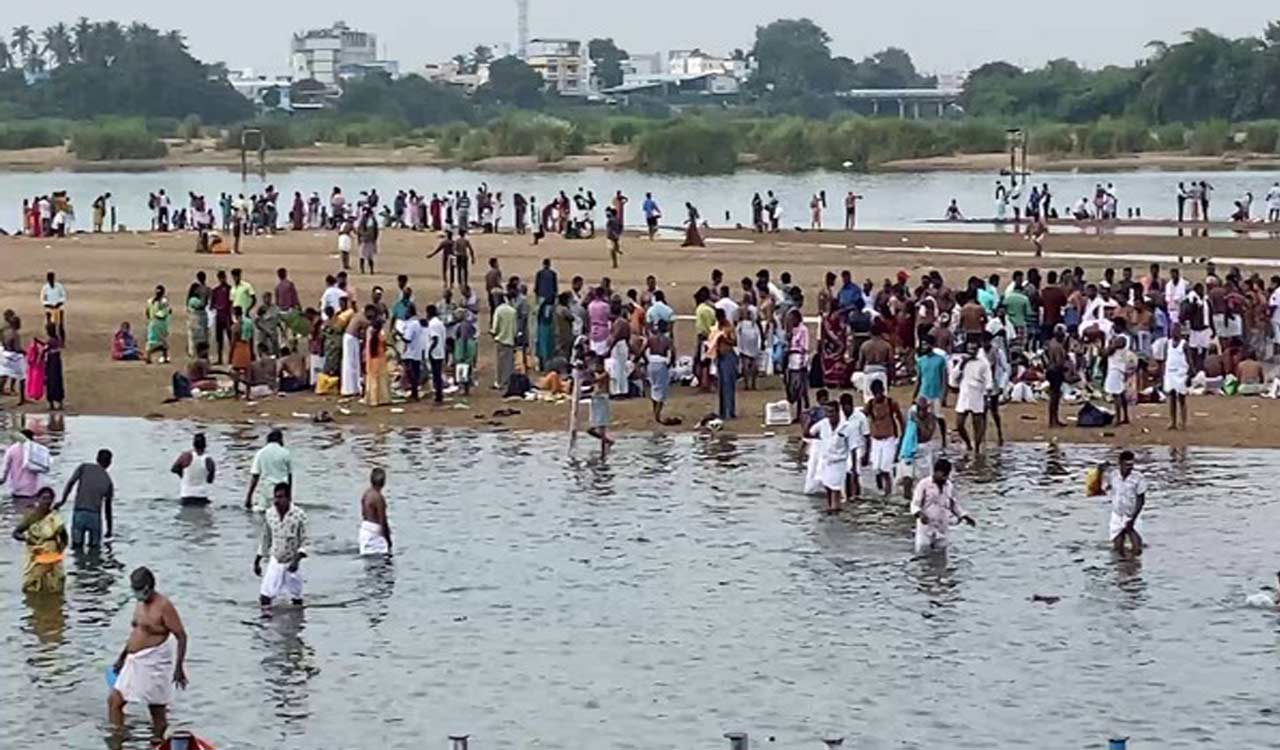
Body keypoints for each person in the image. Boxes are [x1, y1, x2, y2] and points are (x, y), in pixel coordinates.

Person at [108, 567, 189, 742]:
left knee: (157, 711)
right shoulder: (139, 604)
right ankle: (118, 739)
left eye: (137, 588)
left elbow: (181, 636)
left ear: (147, 588)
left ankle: (158, 742)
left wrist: (179, 668)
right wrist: (121, 658)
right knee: (115, 701)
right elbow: (135, 632)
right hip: (134, 660)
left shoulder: (164, 606)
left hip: (154, 661)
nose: (135, 592)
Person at [255, 482, 308, 607]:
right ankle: (266, 623)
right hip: (276, 559)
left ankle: (296, 622)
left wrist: (297, 559)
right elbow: (266, 538)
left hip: (292, 561)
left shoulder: (299, 515)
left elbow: (306, 540)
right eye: (275, 497)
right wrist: (258, 559)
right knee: (265, 596)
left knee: (296, 598)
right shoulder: (270, 514)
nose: (277, 501)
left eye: (280, 497)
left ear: (288, 498)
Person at [909, 459, 975, 554]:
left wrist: (964, 515)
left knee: (941, 558)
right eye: (943, 475)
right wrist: (920, 514)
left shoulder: (948, 485)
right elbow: (915, 504)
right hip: (926, 528)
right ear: (936, 472)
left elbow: (954, 504)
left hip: (942, 527)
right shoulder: (924, 484)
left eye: (947, 475)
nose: (945, 478)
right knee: (922, 556)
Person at [12, 487, 67, 593]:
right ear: (38, 499)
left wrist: (60, 549)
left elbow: (64, 536)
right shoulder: (31, 517)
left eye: (49, 499)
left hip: (52, 552)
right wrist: (27, 539)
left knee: (56, 583)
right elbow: (16, 533)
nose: (47, 502)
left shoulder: (55, 517)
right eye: (44, 498)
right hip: (35, 552)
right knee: (31, 584)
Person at [58, 448, 114, 549]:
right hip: (95, 516)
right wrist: (109, 529)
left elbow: (70, 483)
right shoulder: (108, 481)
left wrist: (63, 501)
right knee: (95, 549)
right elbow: (108, 508)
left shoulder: (84, 468)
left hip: (79, 513)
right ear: (109, 463)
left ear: (97, 458)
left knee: (77, 547)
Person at [809, 401, 855, 514]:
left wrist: (853, 467)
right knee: (828, 488)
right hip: (825, 461)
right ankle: (833, 510)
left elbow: (853, 448)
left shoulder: (847, 427)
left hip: (839, 463)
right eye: (827, 412)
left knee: (835, 489)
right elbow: (810, 432)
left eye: (832, 412)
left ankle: (834, 512)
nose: (830, 415)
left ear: (838, 412)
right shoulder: (823, 424)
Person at [863, 379, 903, 496]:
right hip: (875, 441)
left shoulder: (891, 403)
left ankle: (888, 494)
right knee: (876, 468)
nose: (878, 395)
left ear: (883, 390)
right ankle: (881, 491)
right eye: (875, 393)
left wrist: (902, 436)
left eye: (879, 392)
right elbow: (861, 418)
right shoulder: (870, 405)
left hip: (889, 439)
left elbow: (900, 419)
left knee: (886, 469)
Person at [951, 342, 992, 454]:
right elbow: (953, 378)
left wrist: (987, 396)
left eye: (974, 349)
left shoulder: (983, 363)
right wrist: (962, 364)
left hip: (978, 394)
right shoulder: (962, 362)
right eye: (969, 349)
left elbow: (989, 381)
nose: (971, 351)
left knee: (977, 423)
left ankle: (977, 448)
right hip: (964, 394)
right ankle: (968, 444)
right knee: (959, 424)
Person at [1103, 451, 1147, 554]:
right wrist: (1100, 472)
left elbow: (1141, 500)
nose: (1129, 468)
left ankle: (1134, 566)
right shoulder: (1113, 475)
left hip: (1132, 513)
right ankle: (1120, 566)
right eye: (1127, 465)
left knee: (1137, 548)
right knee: (1117, 547)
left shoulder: (1138, 478)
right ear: (1121, 463)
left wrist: (1132, 519)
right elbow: (1103, 488)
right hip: (1117, 514)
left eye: (1131, 465)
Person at [244, 429, 291, 513]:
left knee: (263, 514)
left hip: (267, 491)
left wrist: (249, 496)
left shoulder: (261, 453)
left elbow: (255, 476)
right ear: (280, 439)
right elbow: (290, 475)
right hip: (283, 492)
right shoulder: (286, 453)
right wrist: (289, 495)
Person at [171, 434, 215, 505]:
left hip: (186, 495)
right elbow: (210, 480)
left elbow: (173, 469)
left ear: (193, 444)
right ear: (205, 445)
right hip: (202, 496)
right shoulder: (209, 460)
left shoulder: (185, 456)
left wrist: (182, 475)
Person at [586, 355, 615, 459]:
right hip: (596, 399)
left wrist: (587, 373)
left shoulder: (605, 374)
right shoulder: (598, 374)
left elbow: (596, 380)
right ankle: (607, 442)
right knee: (591, 428)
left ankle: (604, 450)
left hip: (602, 400)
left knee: (601, 427)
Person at [359, 468, 393, 556]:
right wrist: (388, 540)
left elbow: (363, 513)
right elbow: (383, 520)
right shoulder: (379, 498)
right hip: (375, 530)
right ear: (384, 482)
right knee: (383, 561)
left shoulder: (366, 494)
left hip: (365, 529)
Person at [712, 308, 739, 420]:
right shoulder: (717, 327)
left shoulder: (729, 327)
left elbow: (734, 342)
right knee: (721, 385)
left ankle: (730, 411)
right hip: (720, 357)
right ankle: (722, 411)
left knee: (728, 385)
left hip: (728, 356)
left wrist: (724, 338)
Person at [1163, 323, 1190, 430]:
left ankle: (1183, 422)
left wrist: (1189, 374)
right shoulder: (1168, 344)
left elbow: (1189, 360)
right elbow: (1166, 360)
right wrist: (1163, 375)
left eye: (1176, 330)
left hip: (1181, 373)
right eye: (1172, 330)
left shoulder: (1184, 344)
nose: (1174, 332)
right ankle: (1172, 422)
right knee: (1172, 397)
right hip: (1170, 373)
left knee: (1181, 398)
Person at [1105, 318, 1132, 425]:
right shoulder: (1123, 338)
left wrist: (1109, 343)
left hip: (1116, 367)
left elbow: (1108, 351)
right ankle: (1125, 416)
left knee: (1116, 394)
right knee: (1121, 393)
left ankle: (1118, 418)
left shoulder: (1121, 339)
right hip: (1118, 366)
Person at [491, 291, 516, 391]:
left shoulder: (499, 310)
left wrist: (493, 332)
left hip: (501, 339)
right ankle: (507, 382)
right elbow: (514, 328)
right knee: (509, 363)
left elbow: (495, 327)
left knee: (500, 363)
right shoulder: (512, 311)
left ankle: (499, 382)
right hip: (510, 339)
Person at [364, 318, 391, 407]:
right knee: (381, 379)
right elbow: (384, 345)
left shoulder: (371, 335)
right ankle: (382, 398)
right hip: (380, 359)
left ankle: (372, 399)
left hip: (371, 360)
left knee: (372, 379)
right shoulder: (380, 336)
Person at [426, 304, 448, 403]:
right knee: (438, 374)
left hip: (435, 352)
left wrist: (430, 351)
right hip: (440, 351)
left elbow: (435, 338)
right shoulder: (440, 323)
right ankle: (439, 394)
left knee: (436, 375)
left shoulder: (432, 324)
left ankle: (438, 395)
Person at [145, 286, 172, 365]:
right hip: (161, 324)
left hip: (152, 323)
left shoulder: (150, 301)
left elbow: (147, 312)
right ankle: (164, 357)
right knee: (162, 341)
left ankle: (149, 357)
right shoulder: (164, 301)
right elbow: (165, 312)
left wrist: (151, 318)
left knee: (152, 341)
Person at [41, 271, 67, 342]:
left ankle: (62, 341)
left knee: (60, 325)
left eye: (52, 277)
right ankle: (52, 340)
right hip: (49, 309)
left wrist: (59, 303)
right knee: (50, 326)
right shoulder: (45, 288)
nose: (50, 279)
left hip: (59, 308)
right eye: (49, 278)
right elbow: (43, 299)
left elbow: (63, 296)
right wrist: (49, 305)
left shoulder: (59, 286)